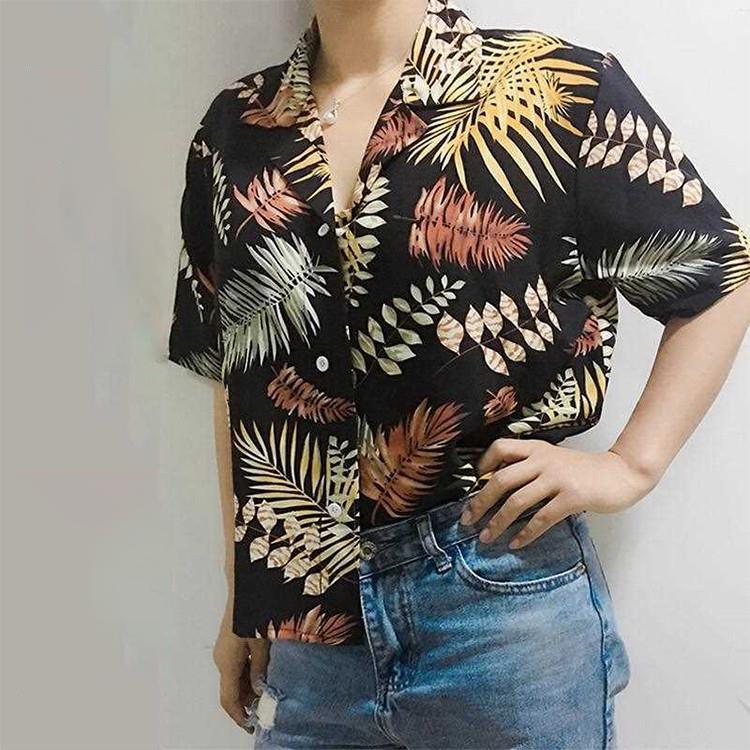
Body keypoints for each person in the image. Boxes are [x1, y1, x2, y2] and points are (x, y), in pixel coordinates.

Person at [166, 0, 750, 747]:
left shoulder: (558, 88)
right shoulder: (234, 132)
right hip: (308, 637)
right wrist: (241, 594)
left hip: (499, 607)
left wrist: (631, 465)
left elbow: (717, 275)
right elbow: (233, 369)